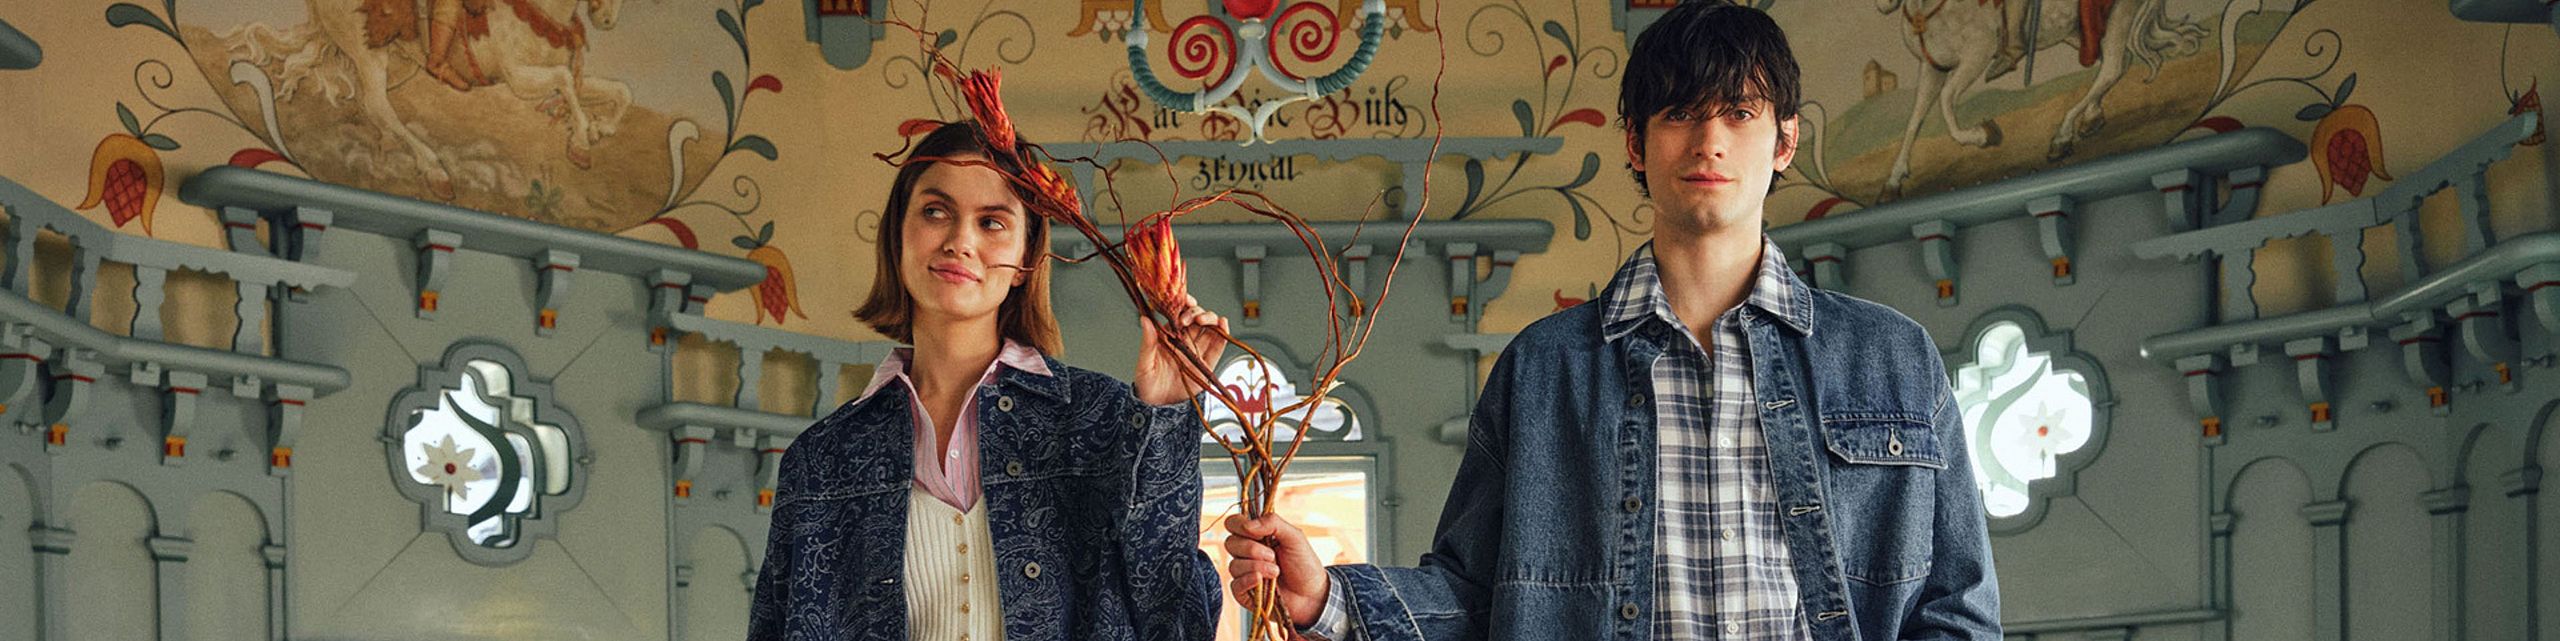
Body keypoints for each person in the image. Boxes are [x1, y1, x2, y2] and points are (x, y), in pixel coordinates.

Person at [1220, 2, 2001, 640]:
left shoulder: (1892, 357)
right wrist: (1328, 596)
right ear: (1635, 139)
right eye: (1680, 115)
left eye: (1739, 112)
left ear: (1785, 139)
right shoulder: (1543, 369)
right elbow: (1478, 595)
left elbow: (1955, 607)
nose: (1709, 141)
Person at [748, 120, 1228, 641]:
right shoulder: (823, 460)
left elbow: (1174, 613)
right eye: (935, 212)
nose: (960, 241)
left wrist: (1163, 418)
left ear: (1025, 259)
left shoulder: (1104, 421)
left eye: (993, 222)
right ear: (898, 235)